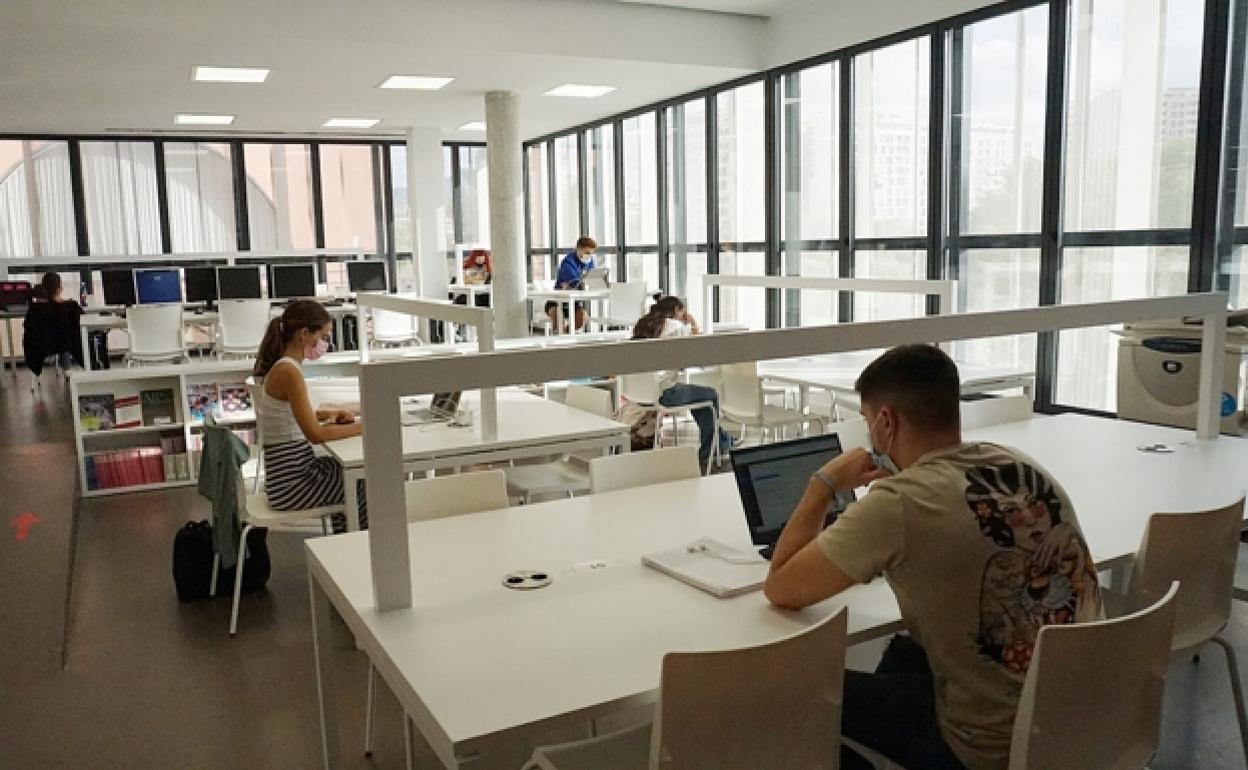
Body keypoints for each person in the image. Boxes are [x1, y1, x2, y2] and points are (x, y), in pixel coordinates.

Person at [762, 344, 1102, 770]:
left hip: (989, 748)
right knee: (903, 655)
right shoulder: (1020, 467)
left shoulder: (899, 503)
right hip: (1081, 721)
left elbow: (781, 588)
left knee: (796, 692)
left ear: (886, 422)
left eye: (867, 421)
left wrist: (823, 484)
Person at [253, 300, 365, 532]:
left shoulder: (284, 367)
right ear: (304, 334)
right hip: (293, 486)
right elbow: (315, 434)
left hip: (287, 478)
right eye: (322, 336)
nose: (324, 343)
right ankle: (357, 543)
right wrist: (365, 427)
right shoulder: (289, 372)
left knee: (352, 472)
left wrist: (328, 414)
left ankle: (347, 539)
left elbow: (292, 417)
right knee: (363, 480)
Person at [628, 295, 731, 469]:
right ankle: (712, 449)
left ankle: (721, 441)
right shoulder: (675, 327)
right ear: (677, 310)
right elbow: (698, 357)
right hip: (665, 393)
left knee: (700, 398)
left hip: (640, 393)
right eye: (683, 312)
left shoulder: (643, 325)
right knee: (710, 395)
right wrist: (693, 324)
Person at [23, 272, 83, 373]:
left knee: (62, 340)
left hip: (41, 346)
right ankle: (67, 371)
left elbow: (28, 328)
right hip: (66, 345)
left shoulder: (35, 308)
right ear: (60, 288)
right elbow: (82, 321)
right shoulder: (71, 306)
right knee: (65, 340)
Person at [546, 236, 596, 332]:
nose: (589, 256)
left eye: (591, 253)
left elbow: (588, 278)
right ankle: (558, 333)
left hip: (574, 302)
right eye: (587, 253)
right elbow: (575, 281)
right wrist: (581, 282)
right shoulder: (567, 262)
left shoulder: (589, 261)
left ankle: (566, 332)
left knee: (583, 317)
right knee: (557, 315)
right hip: (556, 301)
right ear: (578, 249)